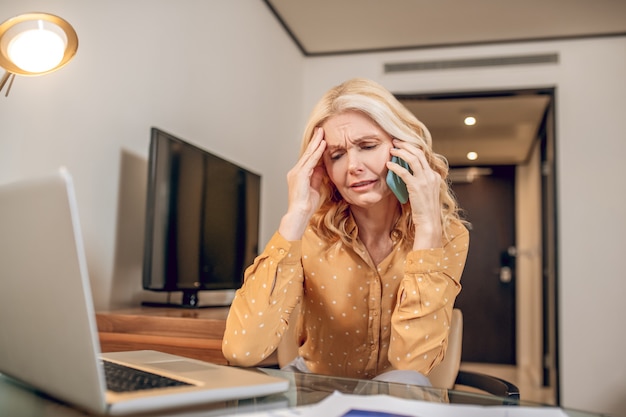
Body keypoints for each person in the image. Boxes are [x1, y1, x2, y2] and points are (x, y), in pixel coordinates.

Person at [222, 78, 469, 386]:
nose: (353, 166)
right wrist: (295, 216)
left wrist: (428, 228)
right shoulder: (309, 233)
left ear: (404, 148)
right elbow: (242, 350)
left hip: (395, 398)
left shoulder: (448, 235)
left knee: (408, 383)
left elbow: (412, 364)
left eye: (367, 146)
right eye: (337, 155)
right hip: (316, 393)